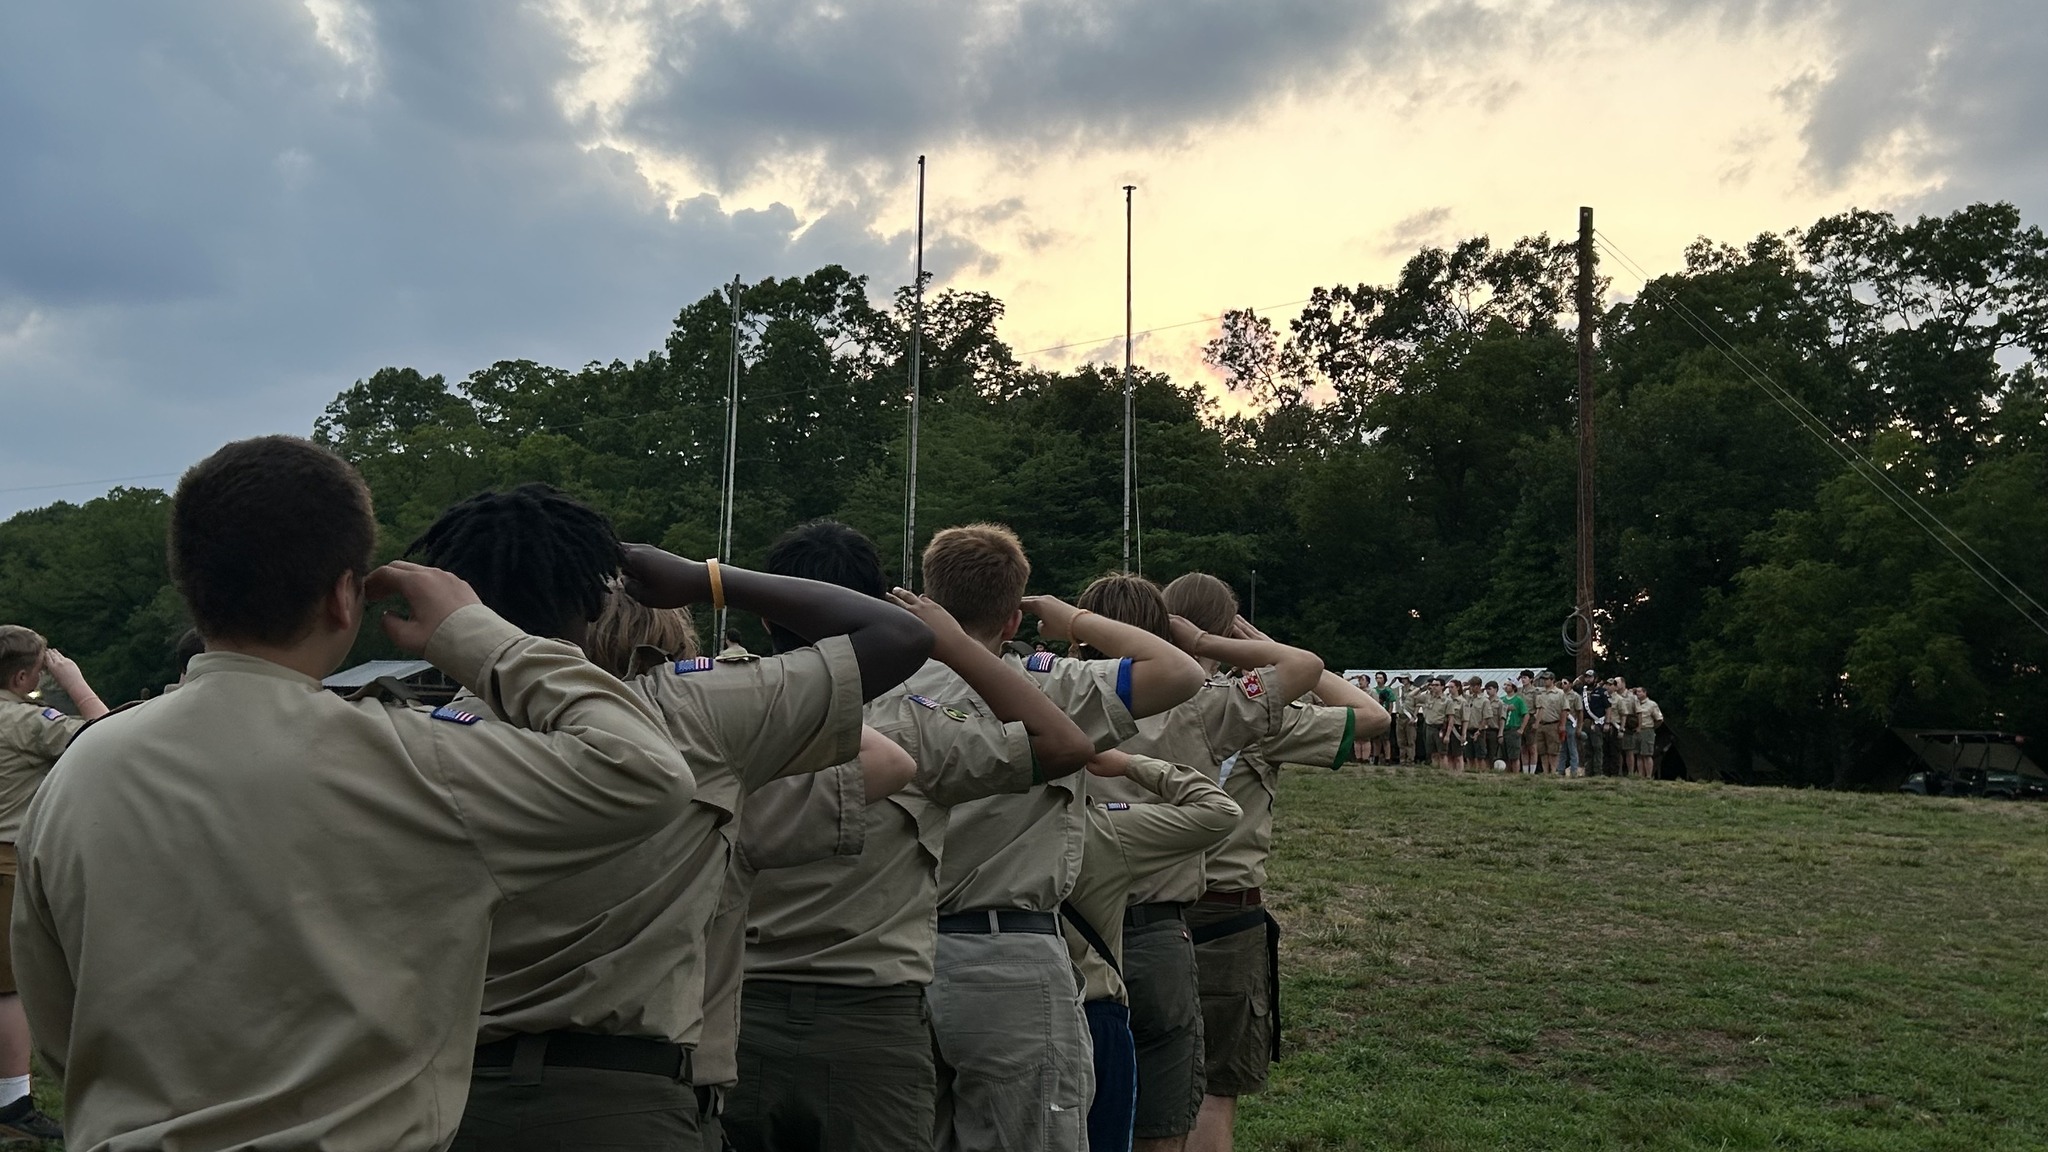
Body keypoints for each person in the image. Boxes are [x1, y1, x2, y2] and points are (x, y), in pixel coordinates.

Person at [11, 436, 697, 1151]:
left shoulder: (78, 772)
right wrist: (483, 637)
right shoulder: (418, 764)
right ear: (346, 596)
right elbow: (647, 770)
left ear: (190, 584)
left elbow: (60, 1032)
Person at [402, 485, 934, 1150]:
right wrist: (706, 578)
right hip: (628, 1101)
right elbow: (901, 634)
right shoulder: (694, 715)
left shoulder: (416, 739)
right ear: (599, 601)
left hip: (450, 1104)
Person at [924, 542, 1206, 1152]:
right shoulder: (1046, 685)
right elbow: (1182, 672)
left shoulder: (892, 683)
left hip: (905, 950)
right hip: (1009, 953)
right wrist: (1072, 617)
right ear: (1013, 619)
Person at [1088, 572, 1322, 1152]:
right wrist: (1212, 644)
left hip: (1070, 927)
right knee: (1174, 1110)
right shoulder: (1197, 706)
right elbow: (1307, 672)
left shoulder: (1048, 693)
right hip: (1165, 925)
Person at [1061, 750, 1241, 1152]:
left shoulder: (966, 823)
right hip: (1099, 994)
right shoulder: (1101, 831)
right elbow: (1220, 811)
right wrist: (1129, 764)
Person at [0, 626, 109, 1142]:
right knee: (10, 987)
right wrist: (76, 682)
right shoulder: (27, 722)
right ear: (24, 677)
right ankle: (13, 1100)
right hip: (5, 864)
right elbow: (111, 740)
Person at [1608, 676, 1638, 776]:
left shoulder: (1632, 697)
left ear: (1623, 683)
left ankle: (1630, 773)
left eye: (1617, 683)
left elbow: (1637, 712)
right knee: (1617, 750)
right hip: (1615, 724)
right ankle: (1618, 771)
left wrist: (1637, 725)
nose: (1615, 685)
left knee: (1629, 750)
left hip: (1628, 725)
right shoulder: (1612, 696)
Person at [1581, 673, 1609, 776]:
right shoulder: (1582, 691)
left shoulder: (1601, 692)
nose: (1588, 679)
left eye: (1590, 677)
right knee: (1587, 748)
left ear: (1595, 678)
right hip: (1586, 722)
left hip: (1597, 722)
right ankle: (1588, 772)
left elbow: (1608, 708)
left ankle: (1598, 771)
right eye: (1586, 677)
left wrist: (1607, 723)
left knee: (1597, 747)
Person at [1634, 686, 1664, 778]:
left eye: (1639, 692)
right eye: (1636, 692)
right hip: (1636, 730)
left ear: (1644, 692)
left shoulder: (1652, 704)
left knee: (1647, 754)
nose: (1637, 693)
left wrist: (1652, 727)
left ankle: (1648, 775)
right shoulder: (1635, 704)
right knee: (1638, 754)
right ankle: (1640, 775)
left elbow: (1659, 719)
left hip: (1647, 729)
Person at [1500, 679, 1527, 773]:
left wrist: (1521, 729)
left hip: (1513, 728)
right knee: (1505, 755)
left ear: (1513, 687)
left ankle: (1515, 773)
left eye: (1508, 685)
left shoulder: (1518, 700)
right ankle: (1507, 773)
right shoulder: (1502, 700)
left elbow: (1526, 714)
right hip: (1504, 729)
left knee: (1514, 755)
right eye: (1505, 685)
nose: (1506, 687)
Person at [1394, 675, 1418, 765]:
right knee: (1401, 740)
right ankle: (1402, 759)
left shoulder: (1415, 690)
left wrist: (1414, 716)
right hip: (1400, 716)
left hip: (1409, 717)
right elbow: (1387, 691)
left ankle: (1410, 759)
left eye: (1405, 678)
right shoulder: (1399, 690)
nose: (1403, 680)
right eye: (1401, 679)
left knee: (1410, 740)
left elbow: (1417, 704)